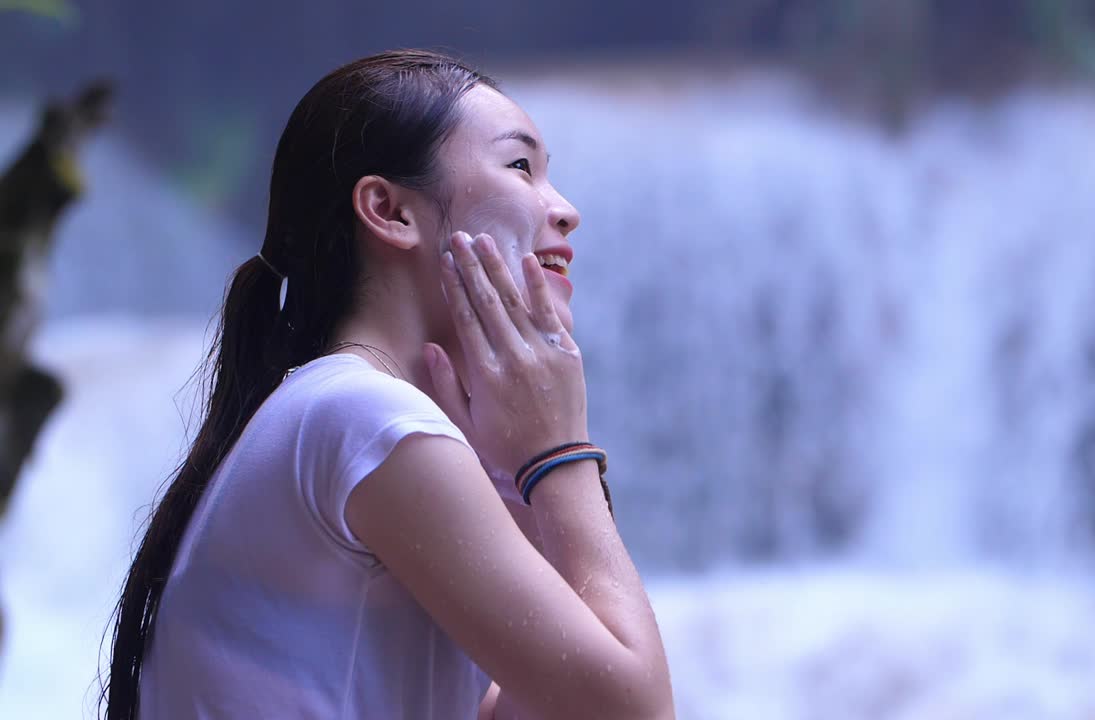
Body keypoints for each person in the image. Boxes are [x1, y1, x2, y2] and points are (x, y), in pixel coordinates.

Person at [102, 49, 674, 720]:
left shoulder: (342, 412)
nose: (566, 211)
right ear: (389, 210)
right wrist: (560, 451)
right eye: (521, 166)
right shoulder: (366, 417)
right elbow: (632, 710)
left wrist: (517, 486)